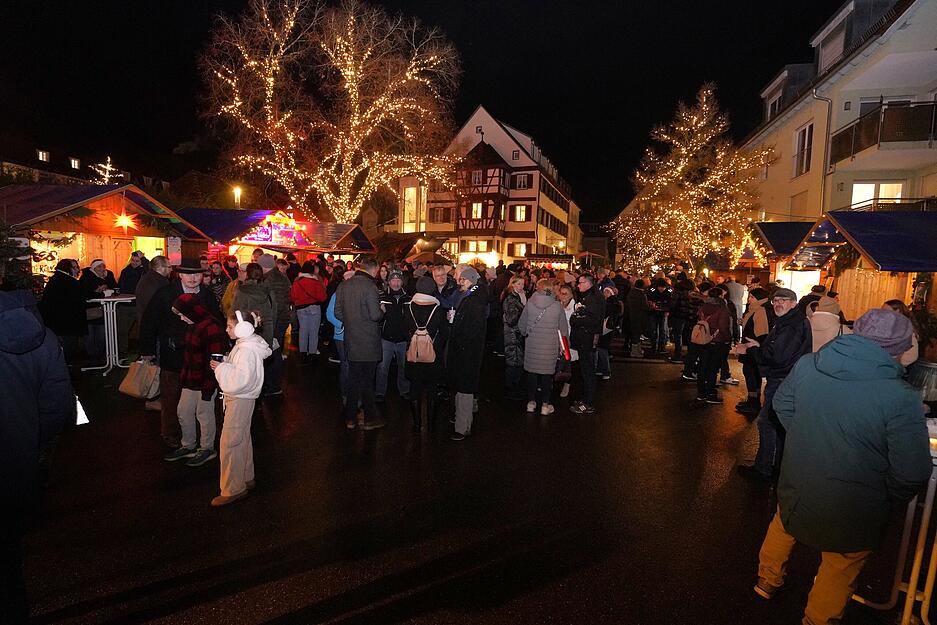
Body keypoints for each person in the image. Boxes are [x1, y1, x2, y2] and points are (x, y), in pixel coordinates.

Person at [753, 308, 931, 624]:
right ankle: (818, 619)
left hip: (800, 478)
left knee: (785, 523)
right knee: (841, 563)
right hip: (856, 500)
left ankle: (767, 580)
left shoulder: (808, 364)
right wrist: (885, 494)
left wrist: (808, 437)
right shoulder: (900, 396)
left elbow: (782, 404)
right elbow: (912, 471)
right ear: (899, 350)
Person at [0, 290, 75, 624]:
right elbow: (57, 405)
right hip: (17, 463)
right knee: (8, 558)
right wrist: (30, 440)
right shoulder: (44, 338)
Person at [140, 258, 221, 449]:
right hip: (173, 354)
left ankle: (201, 438)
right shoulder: (165, 293)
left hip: (200, 357)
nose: (193, 278)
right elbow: (149, 321)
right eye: (188, 274)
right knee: (171, 397)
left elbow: (217, 322)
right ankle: (171, 433)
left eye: (197, 274)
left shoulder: (207, 295)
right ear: (180, 275)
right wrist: (147, 350)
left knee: (201, 399)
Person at [736, 288, 812, 481]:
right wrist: (759, 346)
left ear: (794, 303)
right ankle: (776, 468)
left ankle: (764, 469)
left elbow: (779, 357)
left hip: (782, 379)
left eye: (783, 300)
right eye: (775, 300)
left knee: (767, 422)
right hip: (785, 378)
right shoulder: (789, 321)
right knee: (776, 424)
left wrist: (750, 351)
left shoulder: (791, 325)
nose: (778, 304)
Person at [209, 308, 271, 506]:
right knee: (241, 437)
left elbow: (240, 381)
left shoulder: (245, 350)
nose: (226, 330)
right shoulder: (246, 345)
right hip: (244, 399)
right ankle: (246, 476)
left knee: (230, 443)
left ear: (243, 328)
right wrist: (227, 362)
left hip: (239, 399)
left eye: (230, 326)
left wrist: (221, 368)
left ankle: (233, 488)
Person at [162, 294, 227, 467]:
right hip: (190, 380)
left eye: (183, 314)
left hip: (205, 381)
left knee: (204, 415)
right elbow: (193, 350)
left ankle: (207, 448)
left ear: (192, 311)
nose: (181, 318)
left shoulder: (212, 327)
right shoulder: (194, 324)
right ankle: (188, 445)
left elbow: (215, 360)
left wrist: (208, 388)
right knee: (183, 412)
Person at [335, 257, 386, 430]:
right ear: (374, 269)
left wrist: (351, 321)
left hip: (351, 338)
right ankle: (370, 418)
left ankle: (350, 418)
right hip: (368, 340)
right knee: (367, 381)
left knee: (353, 380)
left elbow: (337, 312)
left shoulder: (344, 285)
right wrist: (382, 311)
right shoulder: (370, 287)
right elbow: (375, 315)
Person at [448, 266, 487, 440]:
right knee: (464, 386)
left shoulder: (473, 300)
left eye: (462, 279)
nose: (459, 282)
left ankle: (462, 427)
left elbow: (472, 329)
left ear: (470, 280)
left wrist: (459, 337)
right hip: (468, 350)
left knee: (464, 387)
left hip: (467, 351)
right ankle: (461, 419)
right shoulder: (474, 296)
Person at [519, 279, 569, 415]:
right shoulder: (557, 306)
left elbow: (521, 325)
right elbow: (563, 329)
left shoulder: (530, 303)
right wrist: (564, 346)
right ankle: (545, 406)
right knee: (547, 376)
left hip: (532, 344)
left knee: (532, 374)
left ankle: (531, 403)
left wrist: (526, 334)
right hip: (550, 347)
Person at [404, 285, 449, 431]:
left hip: (414, 355)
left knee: (414, 389)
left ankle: (417, 424)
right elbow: (444, 333)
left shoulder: (409, 307)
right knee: (432, 390)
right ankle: (431, 425)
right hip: (433, 356)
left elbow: (405, 329)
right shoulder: (437, 309)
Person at [38, 258, 86, 363]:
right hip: (67, 321)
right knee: (69, 345)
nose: (77, 270)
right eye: (74, 267)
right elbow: (80, 297)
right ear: (67, 268)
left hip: (55, 321)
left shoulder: (56, 279)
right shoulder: (69, 281)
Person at [569, 273, 604, 414]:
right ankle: (585, 399)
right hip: (584, 339)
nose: (578, 285)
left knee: (588, 371)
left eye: (581, 283)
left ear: (588, 283)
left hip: (586, 339)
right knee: (586, 370)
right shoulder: (589, 296)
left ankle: (588, 403)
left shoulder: (593, 298)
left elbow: (593, 319)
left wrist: (575, 318)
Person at [736, 287, 775, 416]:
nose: (749, 300)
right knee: (752, 373)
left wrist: (756, 345)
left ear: (759, 298)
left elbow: (762, 332)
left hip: (752, 349)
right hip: (750, 348)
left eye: (752, 297)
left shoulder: (760, 310)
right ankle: (752, 400)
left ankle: (753, 403)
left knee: (751, 373)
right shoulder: (755, 309)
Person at [258, 254, 291, 395]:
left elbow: (277, 305)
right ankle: (273, 383)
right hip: (280, 319)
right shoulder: (279, 276)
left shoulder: (272, 279)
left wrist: (270, 324)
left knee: (273, 351)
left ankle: (273, 385)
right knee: (275, 349)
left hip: (276, 320)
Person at [376, 269, 411, 402]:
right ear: (389, 282)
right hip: (387, 338)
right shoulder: (383, 298)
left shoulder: (408, 298)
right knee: (382, 367)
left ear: (402, 282)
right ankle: (380, 391)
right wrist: (381, 312)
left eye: (398, 280)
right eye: (393, 280)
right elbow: (377, 318)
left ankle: (404, 390)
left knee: (404, 366)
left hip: (403, 339)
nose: (396, 283)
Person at [695, 287, 732, 403]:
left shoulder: (703, 307)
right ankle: (710, 393)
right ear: (720, 296)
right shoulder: (722, 309)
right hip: (717, 340)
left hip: (703, 339)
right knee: (713, 367)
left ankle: (701, 392)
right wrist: (728, 339)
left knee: (703, 365)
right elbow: (723, 327)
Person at [79, 259, 118, 362]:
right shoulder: (87, 277)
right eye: (99, 266)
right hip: (90, 310)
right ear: (94, 268)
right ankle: (92, 357)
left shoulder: (108, 275)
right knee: (90, 335)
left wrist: (108, 288)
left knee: (102, 335)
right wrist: (98, 292)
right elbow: (85, 293)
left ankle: (102, 356)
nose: (102, 269)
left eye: (103, 266)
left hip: (105, 310)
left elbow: (116, 288)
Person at [326, 271, 354, 416]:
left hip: (356, 336)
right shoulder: (337, 295)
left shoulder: (357, 294)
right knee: (346, 364)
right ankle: (345, 395)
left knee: (354, 365)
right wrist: (342, 325)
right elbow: (329, 314)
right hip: (341, 335)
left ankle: (354, 394)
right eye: (347, 279)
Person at [291, 261, 326, 363]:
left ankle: (302, 354)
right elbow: (323, 297)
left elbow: (292, 297)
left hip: (301, 309)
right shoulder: (315, 282)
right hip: (314, 308)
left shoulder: (296, 282)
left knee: (303, 330)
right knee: (313, 332)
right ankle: (312, 354)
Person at [502, 276, 527, 401]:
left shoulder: (516, 297)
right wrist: (522, 311)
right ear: (513, 284)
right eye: (519, 284)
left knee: (516, 361)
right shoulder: (511, 299)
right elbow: (511, 319)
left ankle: (513, 387)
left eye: (522, 284)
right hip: (513, 334)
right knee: (513, 361)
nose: (521, 286)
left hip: (515, 333)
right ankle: (511, 389)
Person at [595, 286, 622, 380]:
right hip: (608, 328)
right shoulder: (614, 302)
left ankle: (606, 371)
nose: (604, 293)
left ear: (610, 293)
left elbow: (605, 313)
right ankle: (600, 369)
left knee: (602, 348)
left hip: (606, 328)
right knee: (601, 348)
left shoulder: (610, 303)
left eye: (606, 292)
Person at [556, 283, 577, 399]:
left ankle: (567, 384)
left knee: (568, 362)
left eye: (566, 293)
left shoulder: (575, 307)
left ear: (571, 295)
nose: (563, 296)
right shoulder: (556, 305)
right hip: (556, 338)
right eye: (561, 293)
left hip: (568, 339)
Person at [883, 299, 919, 366]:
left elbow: (911, 356)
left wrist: (892, 363)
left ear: (897, 312)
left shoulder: (907, 331)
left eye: (885, 311)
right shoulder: (881, 327)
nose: (881, 314)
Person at [646, 279, 672, 355]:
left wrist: (667, 310)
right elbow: (648, 298)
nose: (661, 289)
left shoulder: (669, 290)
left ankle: (661, 347)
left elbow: (671, 302)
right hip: (653, 312)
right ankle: (653, 346)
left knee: (663, 330)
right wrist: (652, 304)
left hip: (664, 312)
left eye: (663, 288)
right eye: (660, 288)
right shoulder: (652, 290)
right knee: (653, 330)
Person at [626, 279, 650, 358]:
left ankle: (636, 350)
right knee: (637, 333)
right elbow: (645, 306)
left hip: (631, 315)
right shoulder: (642, 294)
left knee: (634, 333)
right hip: (640, 316)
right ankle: (635, 351)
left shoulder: (631, 293)